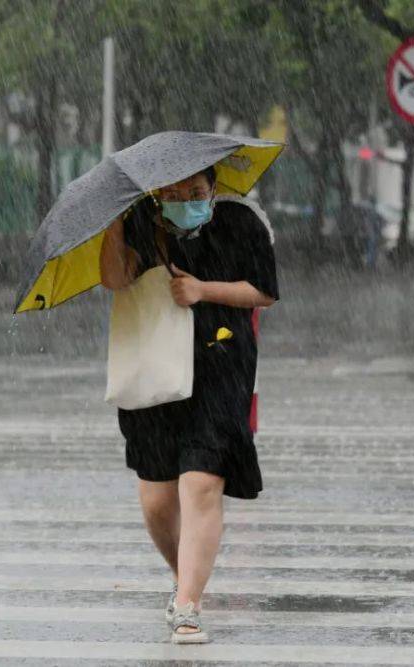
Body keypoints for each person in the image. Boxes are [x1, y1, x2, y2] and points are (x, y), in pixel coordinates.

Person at [99, 167, 278, 644]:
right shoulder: (140, 219)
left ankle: (187, 605)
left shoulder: (241, 222)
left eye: (197, 192)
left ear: (214, 189)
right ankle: (187, 578)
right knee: (158, 501)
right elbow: (114, 279)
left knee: (201, 483)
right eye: (175, 194)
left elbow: (264, 292)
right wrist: (115, 223)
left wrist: (203, 290)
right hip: (155, 368)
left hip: (221, 365)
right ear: (158, 194)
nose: (186, 201)